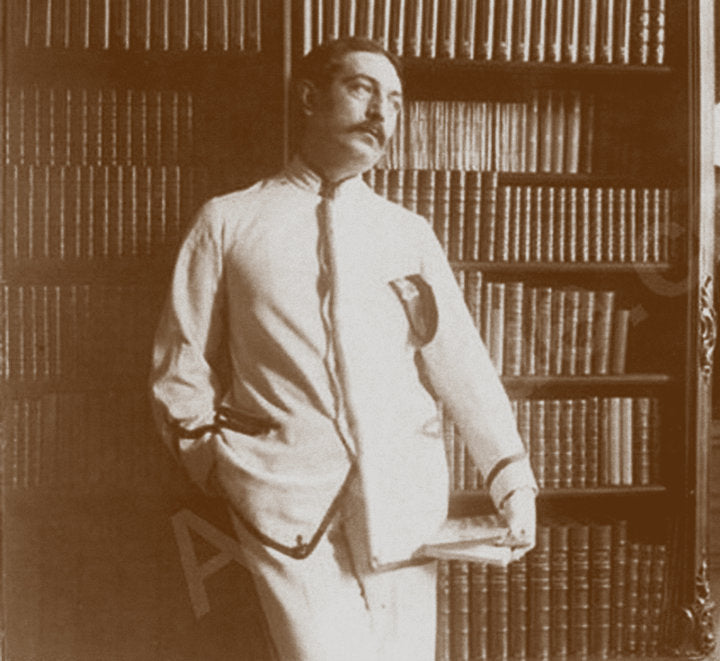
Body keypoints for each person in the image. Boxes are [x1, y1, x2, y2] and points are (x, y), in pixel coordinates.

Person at [150, 36, 537, 661]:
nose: (382, 113)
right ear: (310, 98)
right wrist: (215, 463)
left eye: (395, 101)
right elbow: (179, 366)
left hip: (402, 501)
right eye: (362, 90)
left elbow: (461, 364)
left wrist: (512, 482)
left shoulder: (407, 233)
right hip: (282, 502)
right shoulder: (228, 220)